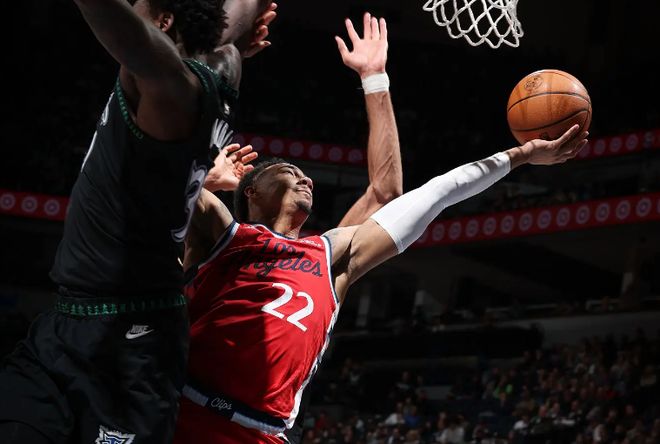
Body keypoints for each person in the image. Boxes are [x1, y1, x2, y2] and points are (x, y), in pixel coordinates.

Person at [173, 13, 589, 443]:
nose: (306, 178)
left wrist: (520, 155)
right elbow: (159, 169)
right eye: (289, 171)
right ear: (251, 191)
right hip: (184, 409)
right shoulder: (224, 235)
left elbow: (428, 192)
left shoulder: (332, 256)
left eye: (304, 174)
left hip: (262, 433)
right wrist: (204, 178)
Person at [0, 0, 273, 443]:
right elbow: (223, 29)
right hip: (68, 321)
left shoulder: (168, 85)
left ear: (161, 26)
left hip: (131, 342)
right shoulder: (225, 65)